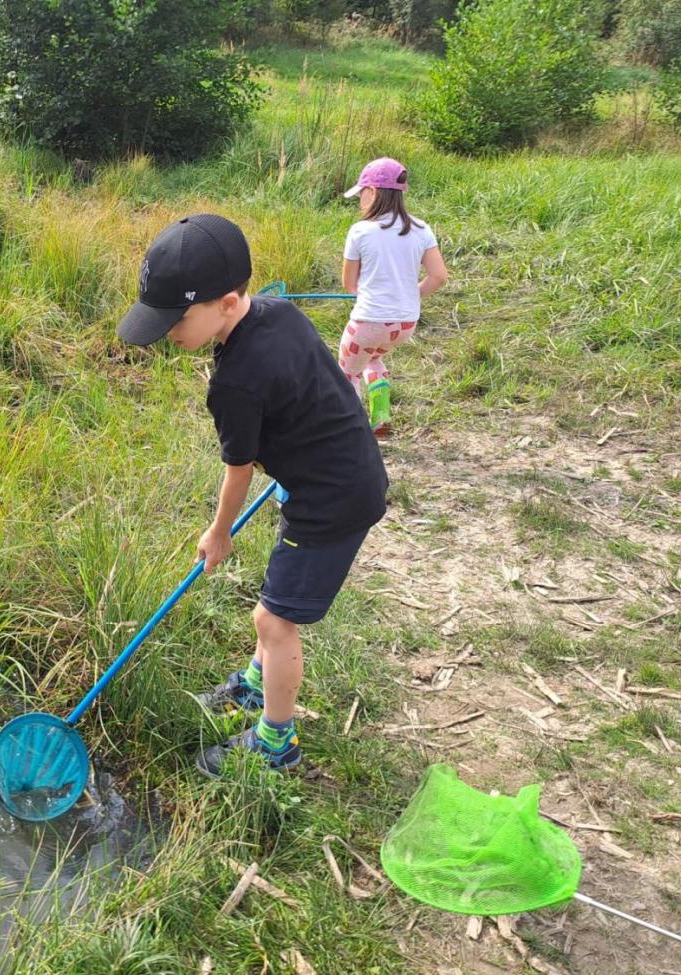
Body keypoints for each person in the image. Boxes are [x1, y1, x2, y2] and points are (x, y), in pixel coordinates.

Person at [116, 213, 387, 776]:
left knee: (273, 620)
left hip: (332, 498)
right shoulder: (275, 310)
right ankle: (256, 684)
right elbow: (309, 390)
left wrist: (218, 533)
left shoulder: (235, 383)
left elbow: (237, 470)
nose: (167, 333)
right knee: (275, 603)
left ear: (226, 302)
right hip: (331, 472)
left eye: (176, 320)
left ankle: (276, 742)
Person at [339, 157, 447, 439]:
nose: (360, 199)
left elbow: (349, 285)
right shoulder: (421, 229)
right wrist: (411, 296)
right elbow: (439, 276)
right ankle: (381, 417)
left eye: (362, 192)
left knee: (348, 373)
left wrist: (365, 291)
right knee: (372, 359)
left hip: (369, 322)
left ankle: (352, 433)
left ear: (373, 192)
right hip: (404, 325)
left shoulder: (360, 231)